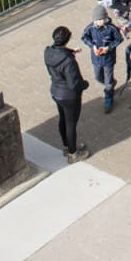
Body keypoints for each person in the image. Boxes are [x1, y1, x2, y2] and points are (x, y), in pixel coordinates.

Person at [44, 25, 90, 160]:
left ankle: (67, 146)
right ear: (67, 39)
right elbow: (74, 83)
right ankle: (73, 153)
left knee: (62, 119)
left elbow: (59, 52)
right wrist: (85, 84)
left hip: (56, 92)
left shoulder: (48, 52)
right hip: (69, 96)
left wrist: (70, 51)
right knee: (71, 124)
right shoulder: (69, 62)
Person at [81, 4, 124, 113]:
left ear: (105, 18)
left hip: (108, 59)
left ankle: (108, 98)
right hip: (96, 59)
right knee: (97, 77)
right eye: (96, 20)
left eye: (100, 20)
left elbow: (118, 39)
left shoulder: (111, 28)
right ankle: (110, 84)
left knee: (108, 80)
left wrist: (108, 48)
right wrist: (92, 46)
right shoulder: (91, 27)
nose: (98, 22)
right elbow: (84, 37)